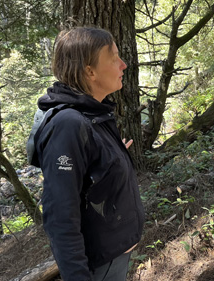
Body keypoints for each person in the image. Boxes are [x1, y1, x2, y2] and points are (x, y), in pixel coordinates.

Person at [30, 27, 145, 281]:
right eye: (114, 58)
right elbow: (60, 215)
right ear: (89, 70)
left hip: (113, 256)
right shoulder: (69, 124)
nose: (123, 65)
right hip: (100, 266)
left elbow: (90, 178)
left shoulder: (92, 112)